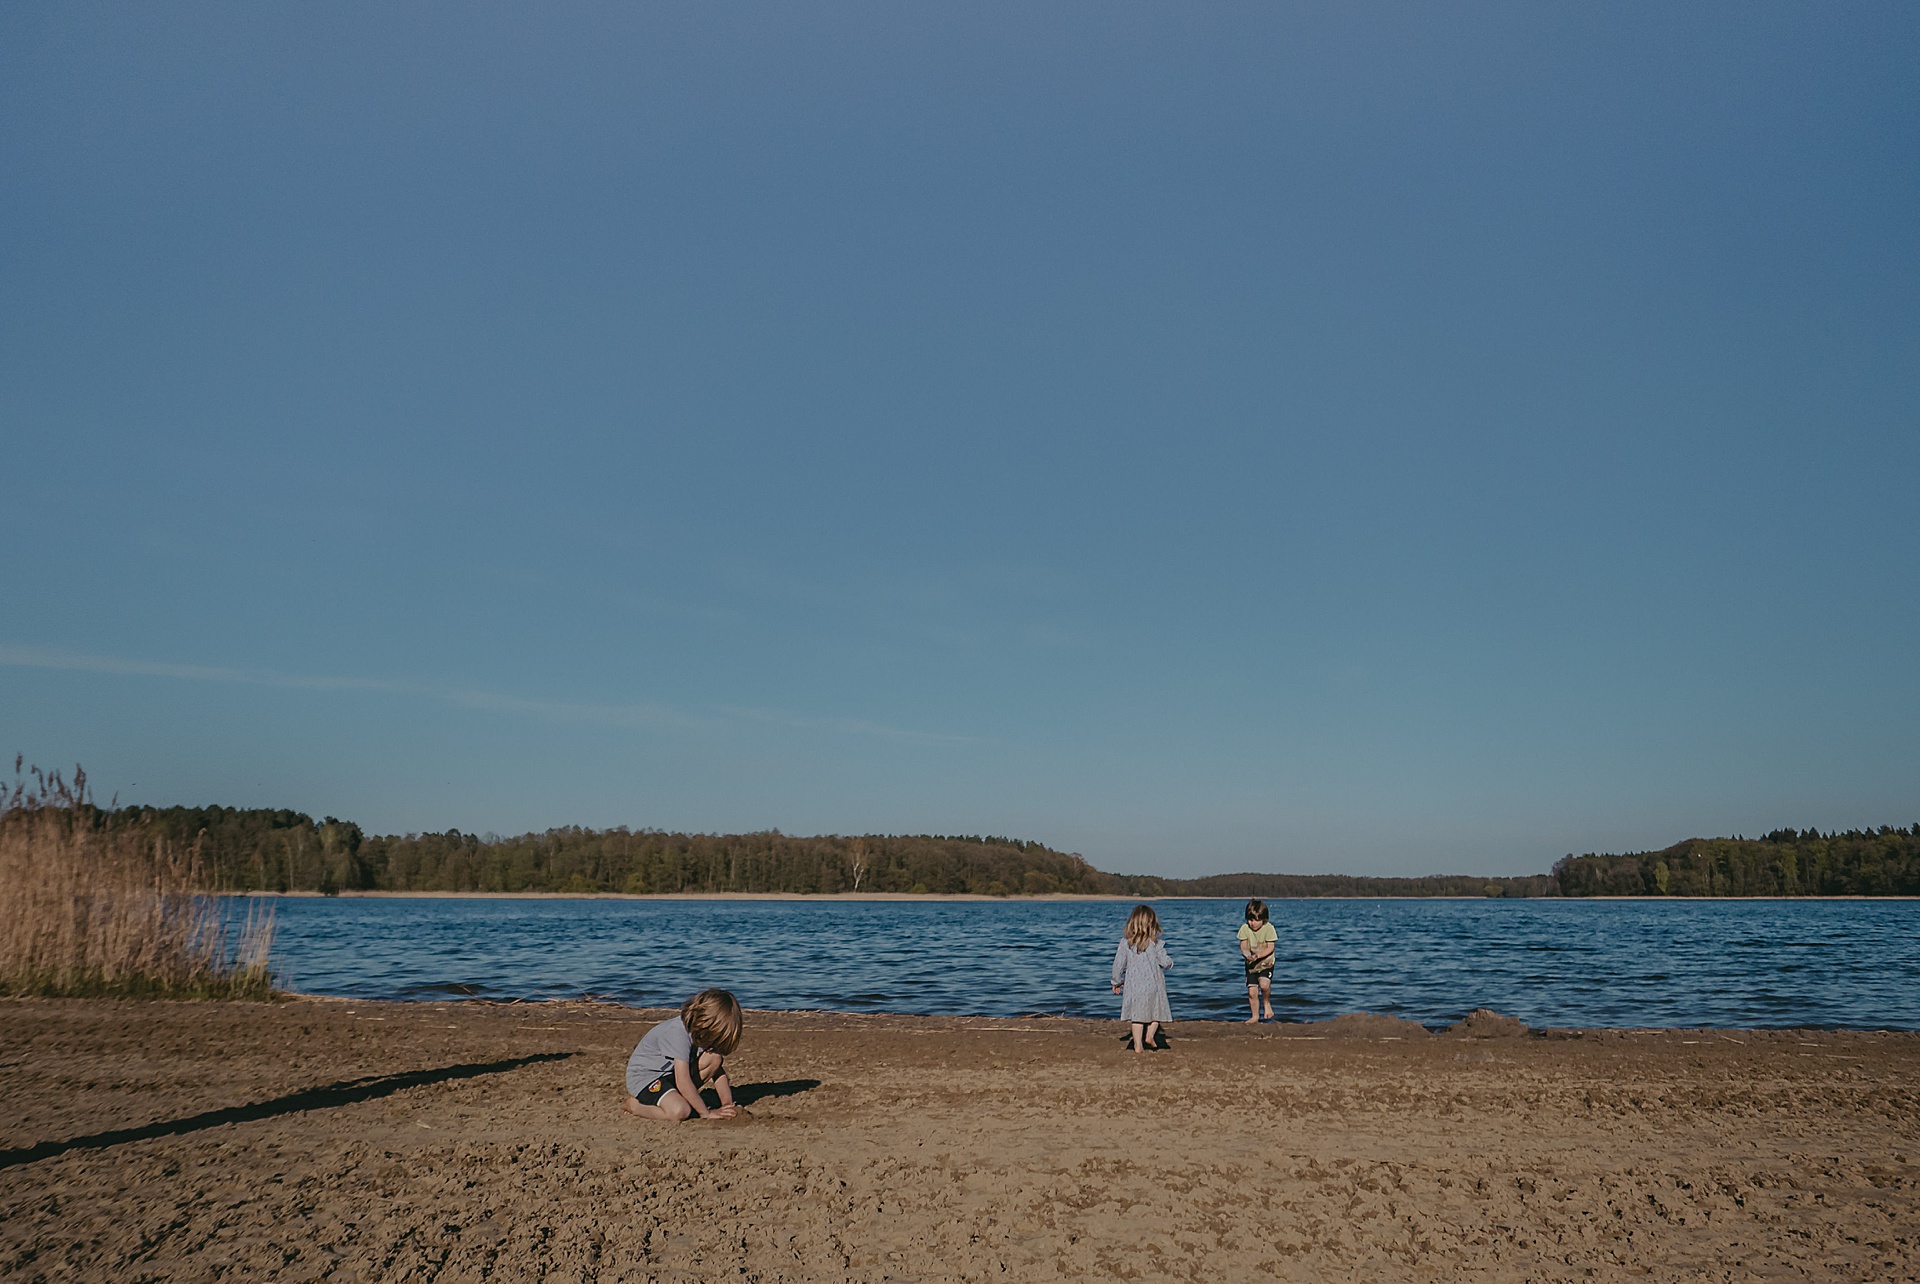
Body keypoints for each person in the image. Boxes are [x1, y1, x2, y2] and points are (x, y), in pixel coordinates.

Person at [623, 988, 744, 1121]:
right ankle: (635, 1106)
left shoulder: (701, 1033)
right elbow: (683, 1081)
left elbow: (718, 1073)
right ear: (705, 1023)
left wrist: (727, 1104)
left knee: (714, 1058)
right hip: (647, 1078)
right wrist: (706, 1113)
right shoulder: (678, 1033)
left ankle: (676, 1097)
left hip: (669, 1074)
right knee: (680, 1111)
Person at [1111, 903, 1173, 1053]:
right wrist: (1170, 963)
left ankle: (1138, 1045)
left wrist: (1116, 981)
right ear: (1152, 924)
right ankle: (1150, 1035)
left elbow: (1118, 965)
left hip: (1134, 987)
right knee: (1156, 1014)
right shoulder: (1155, 944)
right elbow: (1165, 963)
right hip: (1154, 986)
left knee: (1137, 1018)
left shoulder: (1125, 944)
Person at [1237, 898, 1278, 1023]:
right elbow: (1243, 945)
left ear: (1263, 919)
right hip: (1251, 966)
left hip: (1266, 963)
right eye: (1250, 920)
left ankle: (1266, 1004)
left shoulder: (1269, 928)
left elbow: (1271, 947)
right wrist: (1246, 954)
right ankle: (1255, 1016)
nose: (1253, 923)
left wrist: (1259, 956)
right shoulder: (1245, 928)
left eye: (1256, 920)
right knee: (1252, 992)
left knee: (1264, 985)